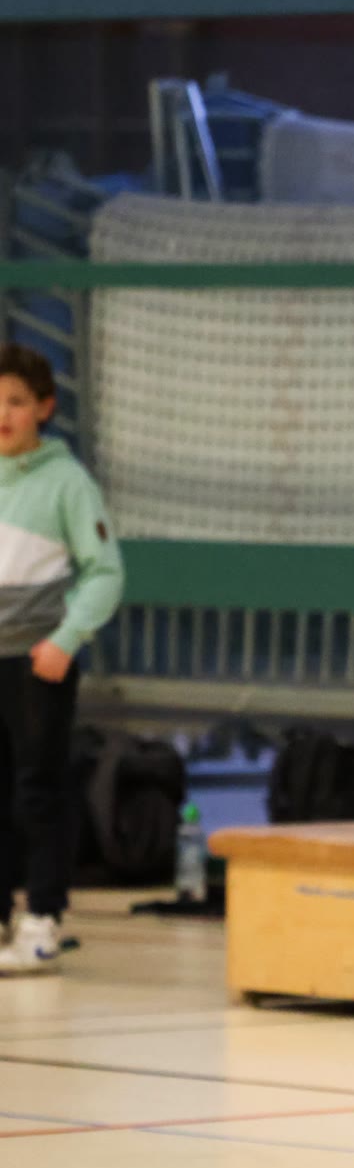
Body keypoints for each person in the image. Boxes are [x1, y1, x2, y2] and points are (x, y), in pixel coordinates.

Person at [0, 344, 124, 976]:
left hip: (36, 664)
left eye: (16, 402)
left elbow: (105, 573)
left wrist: (66, 638)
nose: (3, 414)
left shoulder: (67, 483)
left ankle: (44, 919)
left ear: (44, 408)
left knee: (38, 790)